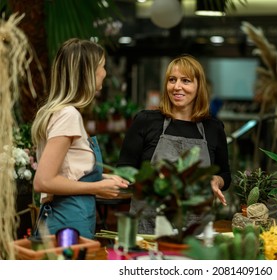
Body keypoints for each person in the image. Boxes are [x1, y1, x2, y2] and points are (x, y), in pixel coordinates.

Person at [117, 54, 231, 234]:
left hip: (195, 230)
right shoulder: (146, 121)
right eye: (172, 80)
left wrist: (216, 180)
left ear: (198, 86)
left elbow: (225, 173)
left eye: (185, 81)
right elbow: (124, 169)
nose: (177, 87)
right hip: (147, 230)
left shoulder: (213, 128)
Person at [31, 38, 129, 239]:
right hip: (67, 224)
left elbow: (67, 172)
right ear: (88, 73)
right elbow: (43, 180)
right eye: (102, 67)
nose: (105, 73)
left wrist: (102, 178)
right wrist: (96, 187)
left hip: (70, 219)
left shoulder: (60, 112)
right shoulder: (68, 115)